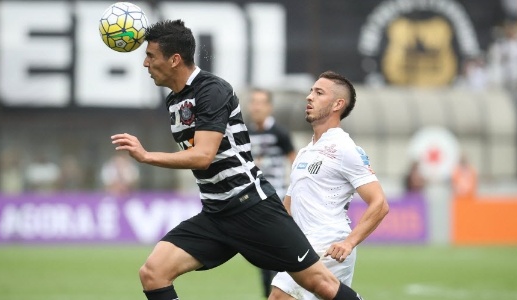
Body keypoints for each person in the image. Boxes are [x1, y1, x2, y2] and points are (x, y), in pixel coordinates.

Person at [111, 20, 367, 300]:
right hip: (216, 214)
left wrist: (147, 156)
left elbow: (204, 156)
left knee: (321, 285)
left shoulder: (212, 90)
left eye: (150, 56)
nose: (145, 64)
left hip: (252, 207)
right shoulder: (174, 100)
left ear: (174, 60)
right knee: (152, 273)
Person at [269, 71, 390, 300]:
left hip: (327, 244)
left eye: (319, 92)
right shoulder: (304, 152)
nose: (309, 97)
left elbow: (379, 203)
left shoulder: (345, 148)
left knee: (280, 296)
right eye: (311, 91)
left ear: (338, 104)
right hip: (301, 245)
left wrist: (349, 242)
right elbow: (288, 208)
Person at [246, 88, 297, 298]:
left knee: (275, 252)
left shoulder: (279, 133)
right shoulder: (246, 133)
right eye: (254, 102)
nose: (257, 107)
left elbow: (295, 163)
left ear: (269, 107)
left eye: (261, 102)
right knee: (262, 255)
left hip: (275, 199)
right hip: (255, 201)